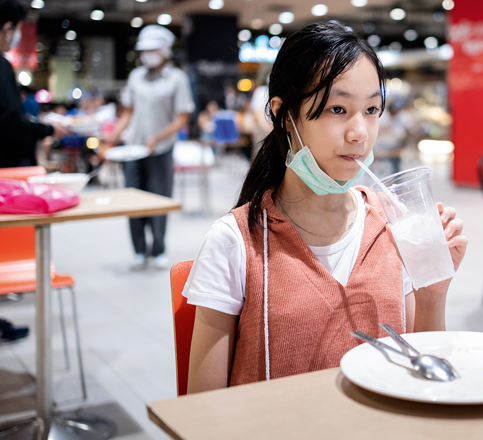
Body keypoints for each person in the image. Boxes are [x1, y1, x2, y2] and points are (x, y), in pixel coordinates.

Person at [183, 22, 467, 393]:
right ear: (285, 115)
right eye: (337, 108)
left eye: (371, 109)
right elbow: (204, 409)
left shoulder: (390, 226)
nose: (359, 133)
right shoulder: (237, 242)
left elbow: (425, 380)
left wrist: (431, 293)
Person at [109, 25, 195, 270]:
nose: (146, 54)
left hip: (160, 150)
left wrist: (158, 137)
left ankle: (158, 249)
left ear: (164, 51)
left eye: (151, 50)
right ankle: (138, 249)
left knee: (159, 199)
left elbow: (182, 118)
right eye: (143, 50)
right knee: (133, 200)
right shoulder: (136, 76)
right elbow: (128, 111)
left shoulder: (177, 78)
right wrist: (112, 135)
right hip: (132, 149)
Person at [0, 0, 67, 168]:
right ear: (8, 28)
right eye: (18, 29)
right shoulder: (2, 66)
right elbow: (12, 123)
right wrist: (49, 130)